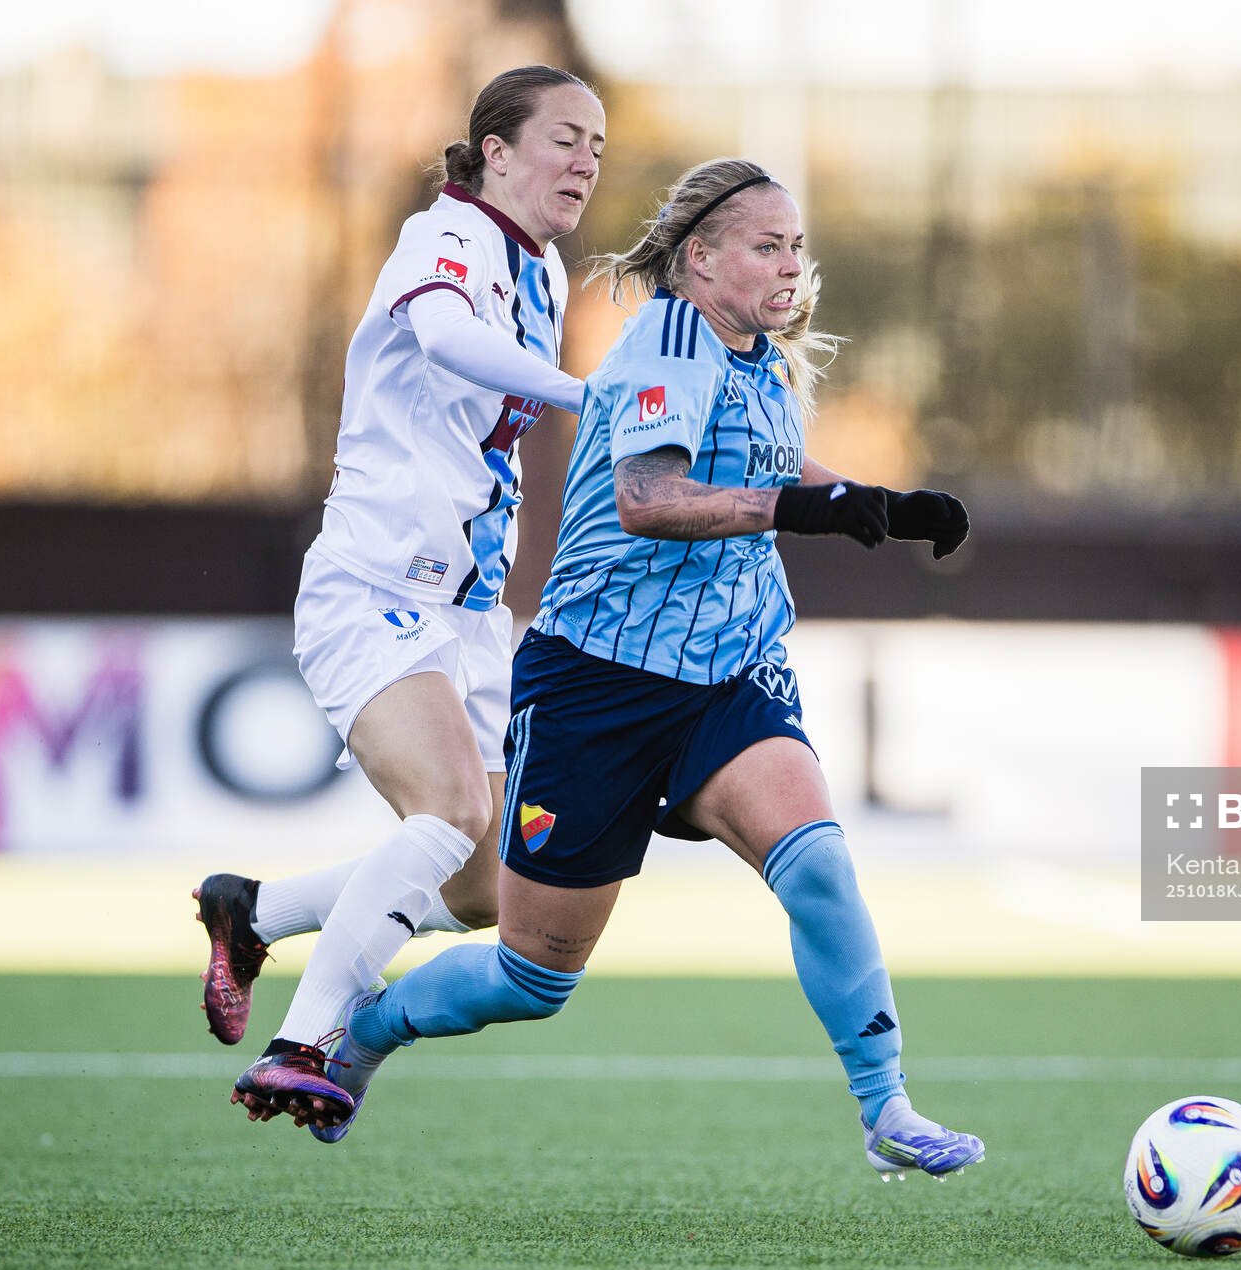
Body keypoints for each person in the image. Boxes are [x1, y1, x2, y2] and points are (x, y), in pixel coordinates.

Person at [310, 158, 984, 1178]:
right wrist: (808, 510)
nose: (791, 263)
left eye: (797, 245)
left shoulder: (755, 354)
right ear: (700, 257)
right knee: (531, 977)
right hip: (595, 684)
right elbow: (649, 497)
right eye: (768, 244)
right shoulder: (665, 343)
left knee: (818, 864)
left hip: (730, 671)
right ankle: (370, 1026)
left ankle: (886, 1104)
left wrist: (875, 500)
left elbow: (767, 458)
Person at [191, 65, 607, 1131]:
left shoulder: (543, 269)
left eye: (597, 147)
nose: (585, 161)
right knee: (455, 809)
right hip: (374, 587)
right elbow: (445, 337)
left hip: (470, 616)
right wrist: (584, 390)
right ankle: (302, 1041)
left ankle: (253, 911)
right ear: (497, 150)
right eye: (564, 138)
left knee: (482, 887)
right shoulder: (449, 235)